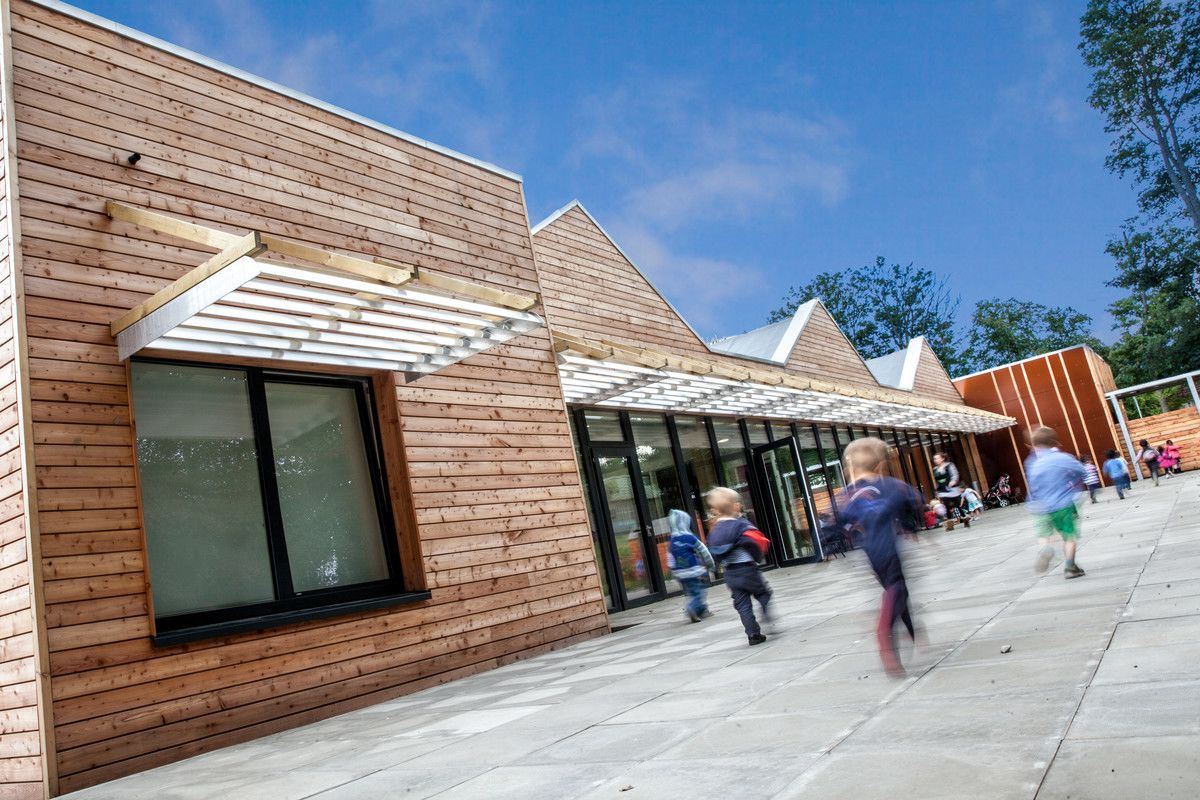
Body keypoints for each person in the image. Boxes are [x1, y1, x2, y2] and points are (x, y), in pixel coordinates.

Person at [837, 437, 924, 677]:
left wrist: (829, 544)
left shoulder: (848, 493)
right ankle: (884, 628)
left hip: (871, 553)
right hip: (888, 547)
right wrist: (909, 525)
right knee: (897, 589)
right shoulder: (891, 485)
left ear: (851, 468)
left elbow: (832, 520)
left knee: (895, 587)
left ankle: (911, 630)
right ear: (879, 465)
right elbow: (914, 499)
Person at [704, 487, 772, 646]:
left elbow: (713, 551)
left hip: (730, 574)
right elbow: (753, 543)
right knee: (763, 593)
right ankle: (765, 611)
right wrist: (757, 557)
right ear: (735, 506)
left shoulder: (714, 532)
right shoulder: (739, 525)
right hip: (748, 569)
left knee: (742, 605)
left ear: (716, 510)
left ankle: (753, 634)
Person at [1026, 427, 1086, 579]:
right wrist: (1072, 483)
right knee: (1069, 537)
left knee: (1044, 534)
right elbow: (1082, 472)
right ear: (1054, 443)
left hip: (1041, 507)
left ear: (1034, 444)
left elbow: (1033, 487)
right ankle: (1070, 567)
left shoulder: (1034, 464)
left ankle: (1045, 548)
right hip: (1063, 504)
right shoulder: (1063, 458)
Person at [666, 509, 715, 623]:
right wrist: (710, 564)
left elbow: (670, 558)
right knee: (699, 592)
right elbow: (704, 551)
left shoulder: (672, 540)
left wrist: (673, 570)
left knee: (692, 592)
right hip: (694, 571)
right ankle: (691, 609)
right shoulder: (691, 538)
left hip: (680, 574)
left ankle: (703, 611)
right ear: (686, 522)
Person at [932, 452, 970, 528]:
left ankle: (965, 519)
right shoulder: (935, 469)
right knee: (946, 506)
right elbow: (937, 480)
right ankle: (950, 525)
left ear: (942, 459)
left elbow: (955, 474)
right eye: (934, 459)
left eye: (937, 458)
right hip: (942, 490)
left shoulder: (949, 465)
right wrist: (937, 489)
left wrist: (953, 481)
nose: (935, 460)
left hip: (952, 489)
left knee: (957, 505)